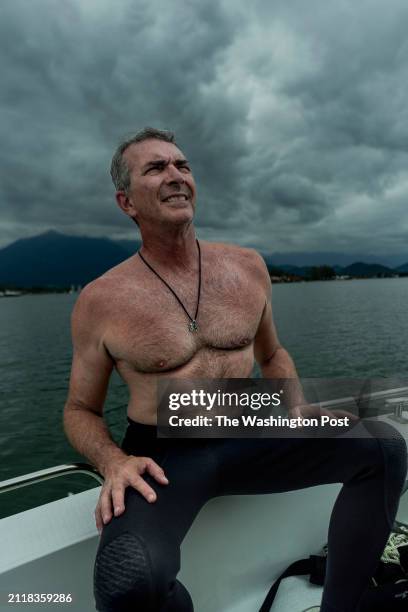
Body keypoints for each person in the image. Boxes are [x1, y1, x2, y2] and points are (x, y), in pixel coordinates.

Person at [63, 127, 407, 612]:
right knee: (129, 582)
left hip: (250, 417)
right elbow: (80, 409)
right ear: (126, 202)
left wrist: (295, 405)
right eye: (156, 168)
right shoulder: (101, 299)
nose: (176, 175)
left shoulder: (247, 267)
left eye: (182, 165)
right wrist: (112, 461)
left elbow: (272, 355)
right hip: (165, 452)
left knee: (385, 446)